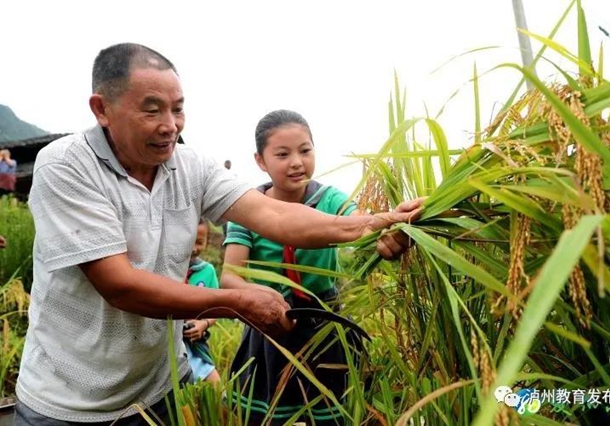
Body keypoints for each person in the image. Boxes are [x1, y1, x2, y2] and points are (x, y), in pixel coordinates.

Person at [14, 42, 421, 426]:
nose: (170, 126)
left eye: (178, 109)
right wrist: (236, 303)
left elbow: (274, 215)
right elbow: (119, 285)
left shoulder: (190, 166)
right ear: (102, 109)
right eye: (152, 110)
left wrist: (376, 222)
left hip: (157, 390)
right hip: (69, 403)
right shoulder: (66, 166)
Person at [220, 110, 380, 424]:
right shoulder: (247, 208)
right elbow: (229, 277)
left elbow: (362, 222)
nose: (297, 162)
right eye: (283, 154)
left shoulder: (329, 199)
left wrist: (386, 227)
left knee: (333, 412)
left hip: (325, 326)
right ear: (260, 161)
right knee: (268, 413)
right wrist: (262, 297)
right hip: (269, 325)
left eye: (305, 150)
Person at [182, 218, 221, 385]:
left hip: (194, 344)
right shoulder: (165, 269)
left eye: (199, 242)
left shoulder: (207, 271)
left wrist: (203, 324)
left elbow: (216, 309)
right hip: (167, 345)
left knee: (217, 390)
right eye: (188, 241)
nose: (193, 248)